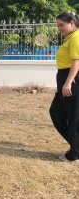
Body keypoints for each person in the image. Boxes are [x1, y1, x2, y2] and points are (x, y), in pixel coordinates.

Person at [50, 11, 79, 162]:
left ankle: (74, 152)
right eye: (58, 26)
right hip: (64, 78)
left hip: (70, 79)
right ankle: (76, 146)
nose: (59, 28)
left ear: (72, 23)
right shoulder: (69, 38)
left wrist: (68, 82)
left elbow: (77, 61)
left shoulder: (76, 37)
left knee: (73, 116)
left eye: (62, 25)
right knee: (56, 112)